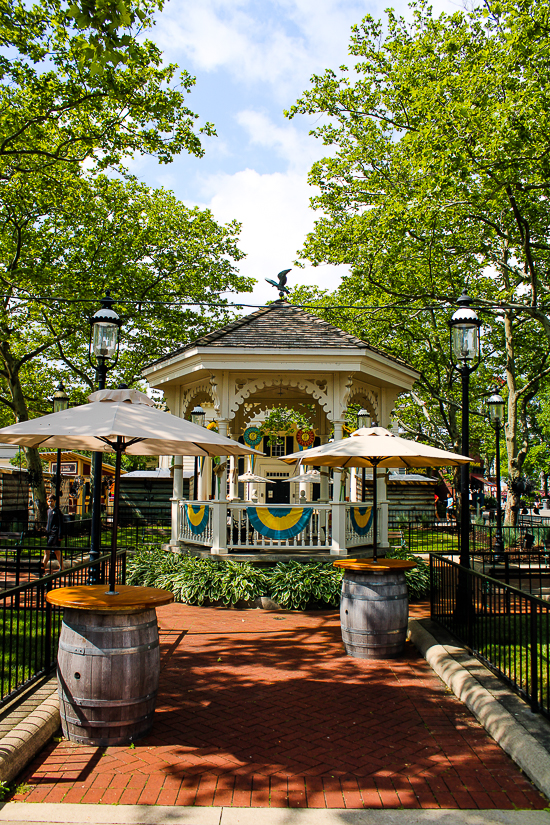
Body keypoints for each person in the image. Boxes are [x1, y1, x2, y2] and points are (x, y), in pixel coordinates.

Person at [43, 494, 64, 571]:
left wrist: (60, 535)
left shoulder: (57, 511)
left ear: (55, 501)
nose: (50, 503)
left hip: (55, 534)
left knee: (47, 550)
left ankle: (43, 566)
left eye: (51, 501)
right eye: (48, 501)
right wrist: (46, 531)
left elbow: (60, 523)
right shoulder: (48, 511)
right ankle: (62, 567)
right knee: (57, 551)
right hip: (49, 533)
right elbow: (48, 523)